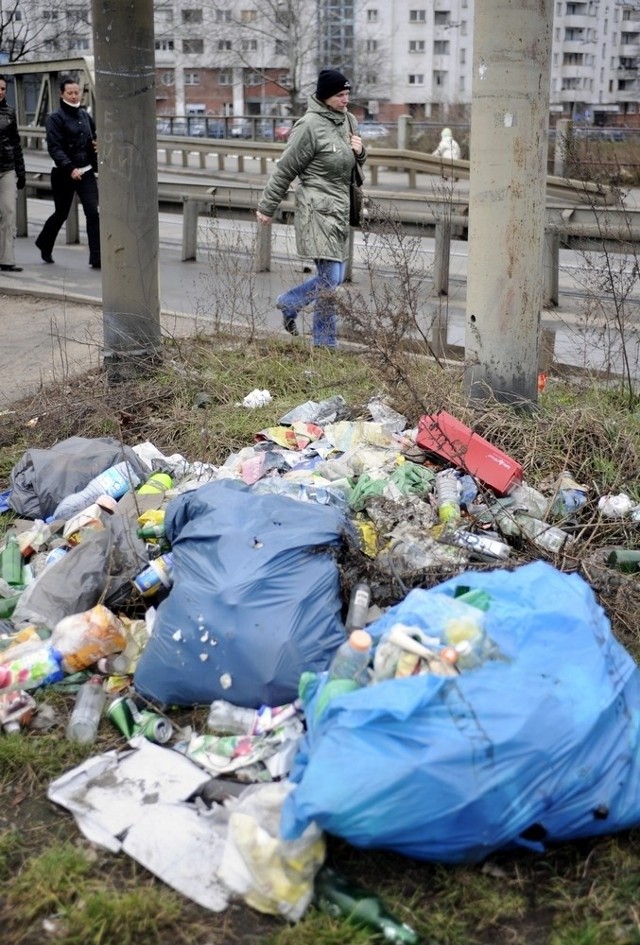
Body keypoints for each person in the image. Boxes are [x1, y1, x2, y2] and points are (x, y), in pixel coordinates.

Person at [256, 68, 366, 348]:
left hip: (340, 210)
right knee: (330, 281)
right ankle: (321, 339)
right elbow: (285, 169)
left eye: (347, 94)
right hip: (317, 210)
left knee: (335, 279)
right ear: (325, 96)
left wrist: (360, 152)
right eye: (340, 95)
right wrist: (267, 206)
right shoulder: (308, 126)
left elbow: (351, 167)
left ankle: (297, 312)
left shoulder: (348, 121)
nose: (346, 99)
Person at [35, 76, 101, 269]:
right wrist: (70, 168)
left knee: (93, 213)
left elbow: (93, 138)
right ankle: (45, 244)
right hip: (64, 173)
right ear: (62, 94)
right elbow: (55, 148)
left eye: (76, 92)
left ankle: (96, 257)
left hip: (86, 171)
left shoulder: (84, 116)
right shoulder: (55, 118)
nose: (74, 96)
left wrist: (96, 147)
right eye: (70, 93)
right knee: (61, 213)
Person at [0, 75, 26, 273]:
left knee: (9, 212)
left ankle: (7, 259)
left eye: (3, 89)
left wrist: (21, 170)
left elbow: (16, 143)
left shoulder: (10, 112)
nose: (0, 92)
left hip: (7, 168)